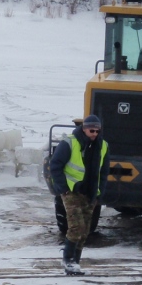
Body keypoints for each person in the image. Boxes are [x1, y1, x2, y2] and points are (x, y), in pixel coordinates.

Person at [49, 115, 110, 276]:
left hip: (90, 193)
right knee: (76, 227)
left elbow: (103, 172)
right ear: (84, 128)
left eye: (97, 130)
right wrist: (63, 188)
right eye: (92, 130)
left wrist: (99, 192)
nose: (95, 133)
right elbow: (55, 165)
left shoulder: (102, 146)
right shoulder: (70, 143)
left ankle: (75, 262)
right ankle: (68, 260)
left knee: (85, 230)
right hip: (72, 192)